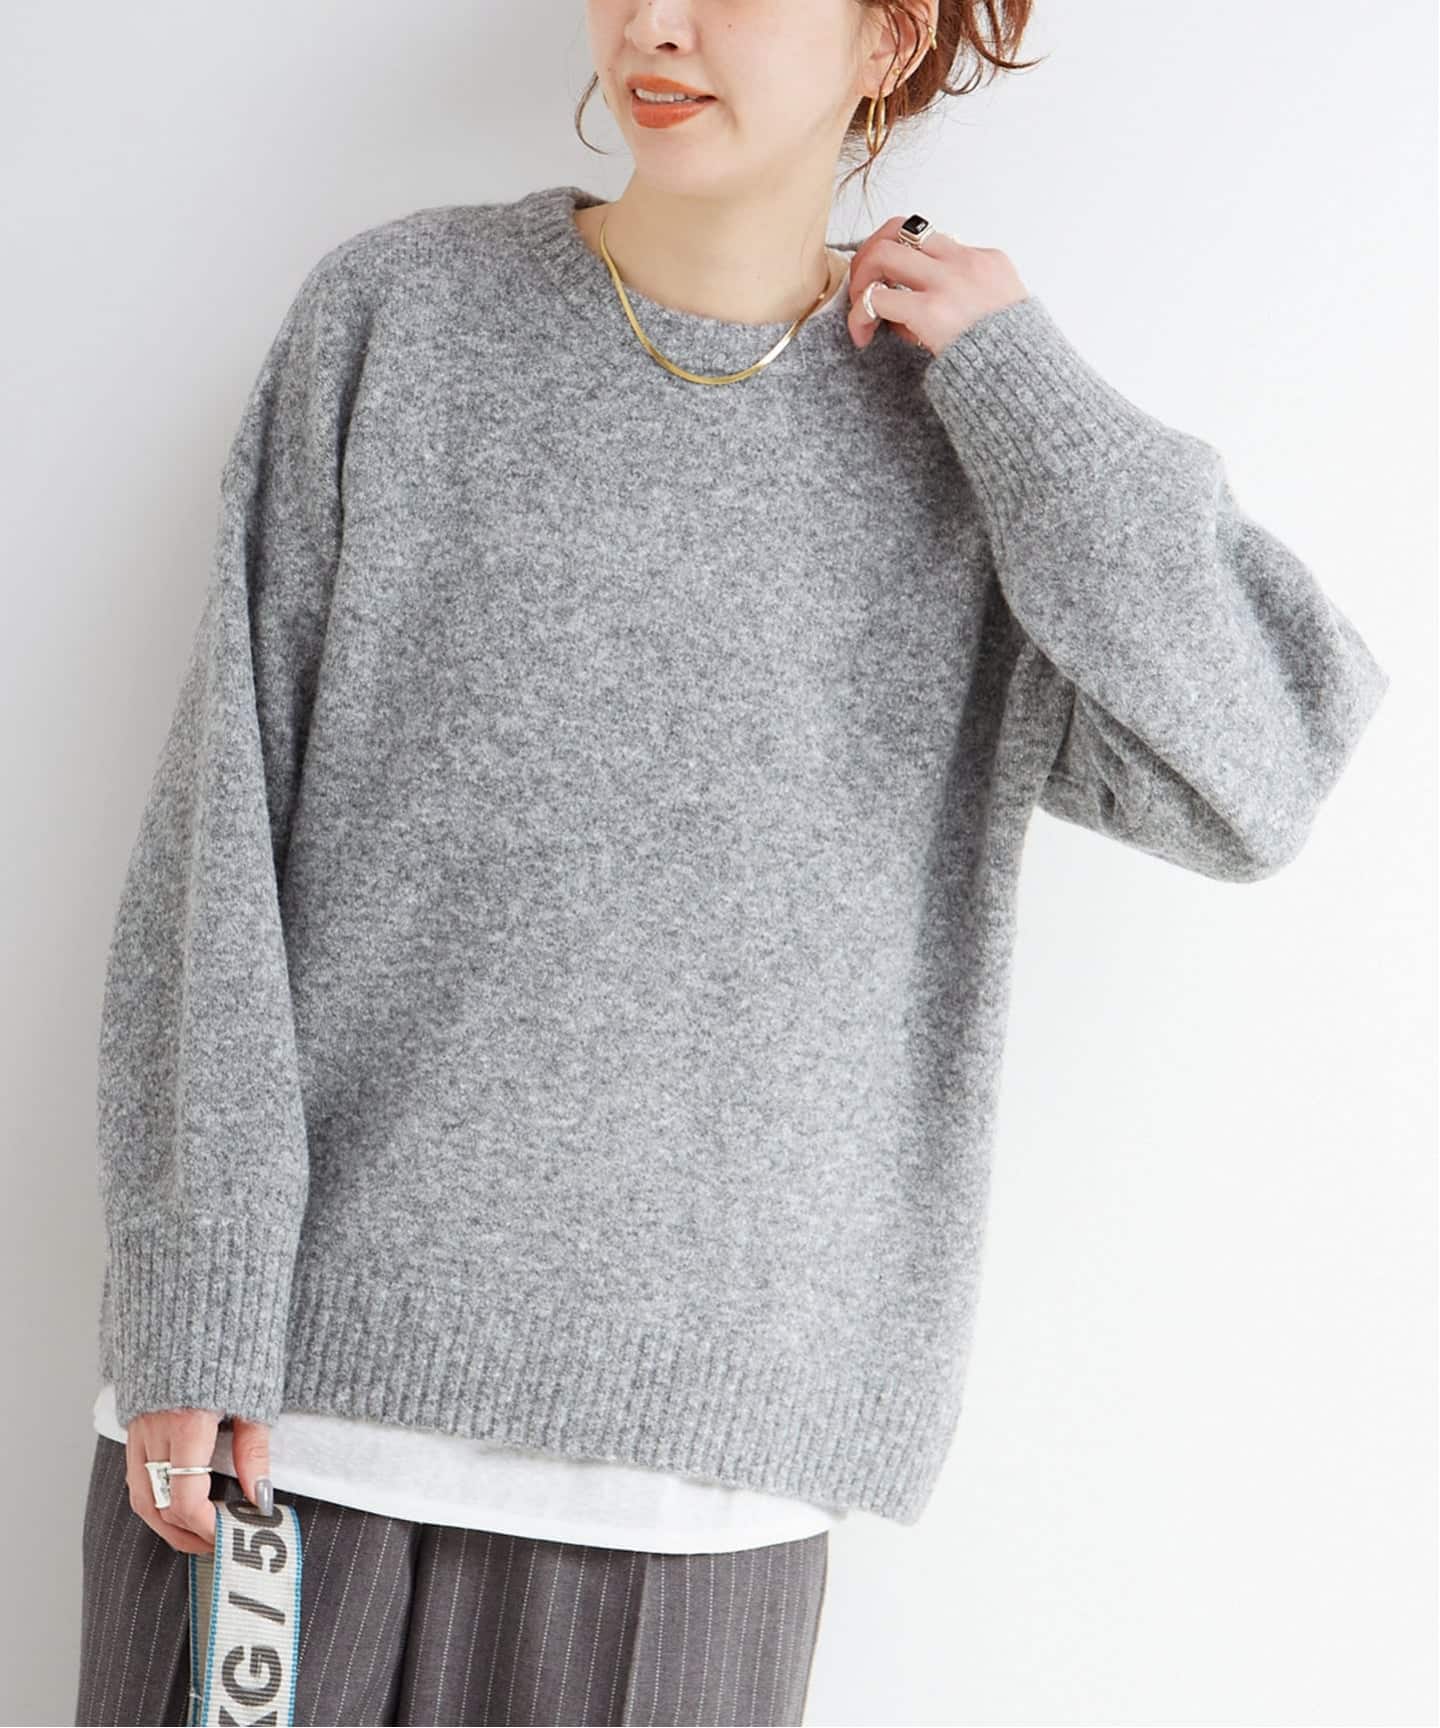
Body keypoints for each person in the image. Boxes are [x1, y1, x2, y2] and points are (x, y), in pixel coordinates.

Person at [75, 0, 1389, 1723]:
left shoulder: (971, 450)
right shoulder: (404, 319)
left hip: (690, 1509)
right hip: (280, 1439)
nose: (658, 25)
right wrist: (193, 1300)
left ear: (888, 35)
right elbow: (216, 847)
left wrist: (1029, 393)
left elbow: (1261, 772)